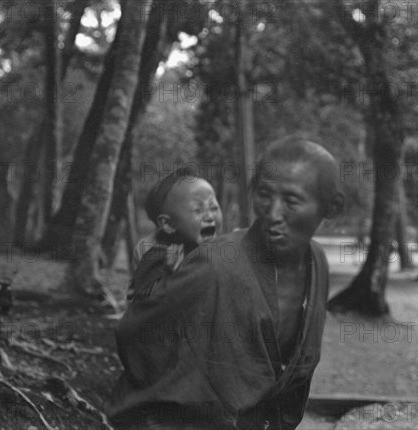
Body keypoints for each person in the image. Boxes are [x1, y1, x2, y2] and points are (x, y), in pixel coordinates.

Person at [107, 136, 344, 429]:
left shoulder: (316, 263)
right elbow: (135, 332)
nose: (273, 214)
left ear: (332, 207)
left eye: (292, 201)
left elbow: (295, 372)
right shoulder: (216, 264)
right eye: (264, 195)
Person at [127, 167, 222, 300]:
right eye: (197, 210)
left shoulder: (225, 247)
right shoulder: (154, 254)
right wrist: (169, 275)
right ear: (168, 224)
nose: (209, 216)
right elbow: (141, 307)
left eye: (214, 207)